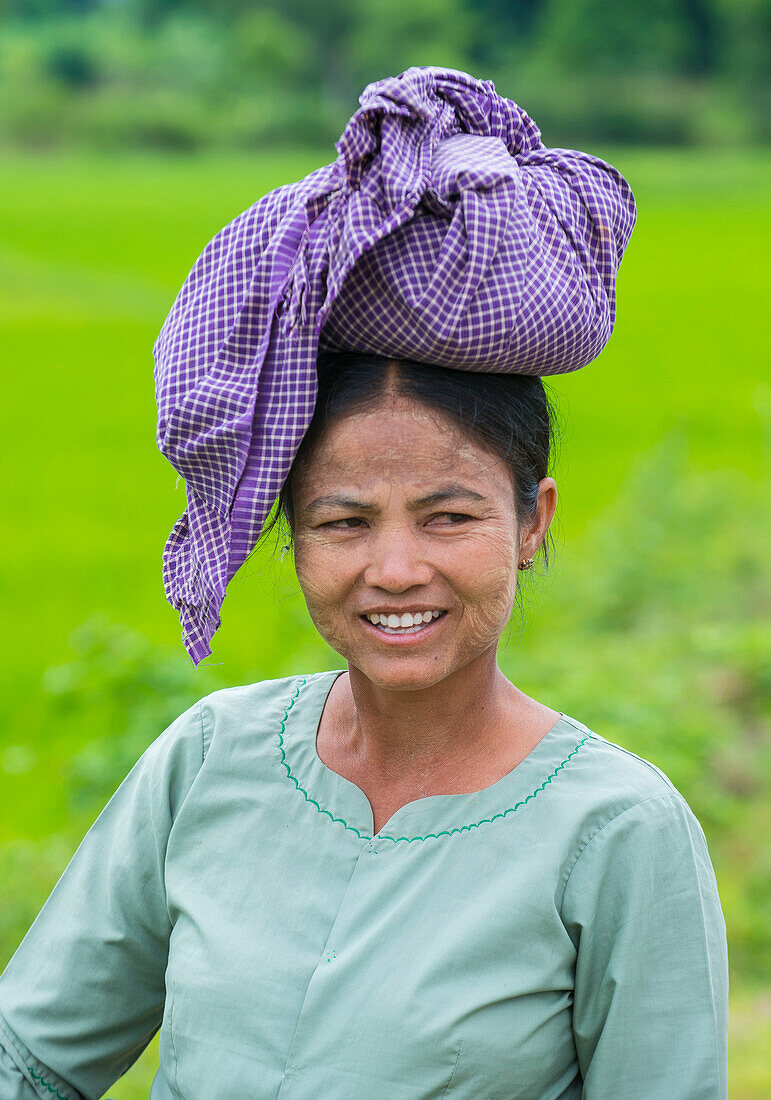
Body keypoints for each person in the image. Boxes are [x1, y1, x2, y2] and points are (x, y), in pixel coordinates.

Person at [0, 68, 727, 1099]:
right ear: (291, 536)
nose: (395, 568)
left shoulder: (615, 831)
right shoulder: (211, 759)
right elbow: (29, 1055)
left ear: (533, 521)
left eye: (450, 515)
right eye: (344, 520)